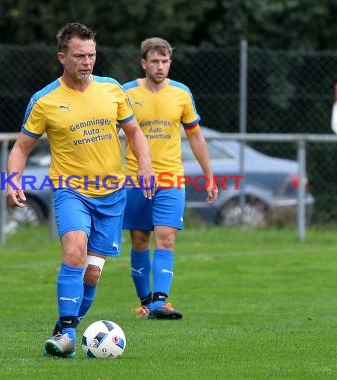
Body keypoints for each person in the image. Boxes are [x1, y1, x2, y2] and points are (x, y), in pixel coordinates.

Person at [6, 23, 155, 358]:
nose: (87, 61)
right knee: (74, 252)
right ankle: (70, 332)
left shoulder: (113, 90)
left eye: (92, 55)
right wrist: (12, 180)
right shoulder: (44, 100)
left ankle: (62, 331)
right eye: (79, 56)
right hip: (71, 191)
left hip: (112, 195)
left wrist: (145, 164)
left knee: (91, 273)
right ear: (63, 57)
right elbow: (21, 147)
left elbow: (134, 132)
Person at [122, 37, 218, 320]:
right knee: (139, 240)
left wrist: (209, 176)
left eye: (165, 61)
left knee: (166, 240)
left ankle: (161, 302)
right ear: (144, 63)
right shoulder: (126, 93)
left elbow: (196, 136)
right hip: (136, 179)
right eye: (155, 61)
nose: (161, 66)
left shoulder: (181, 94)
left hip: (171, 178)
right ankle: (145, 302)